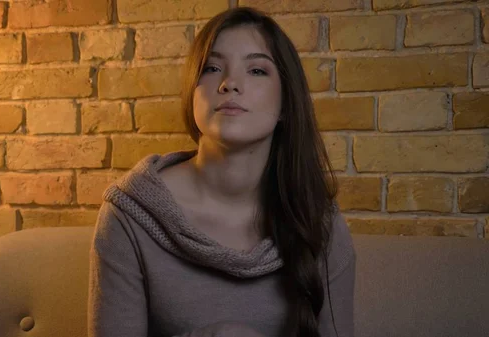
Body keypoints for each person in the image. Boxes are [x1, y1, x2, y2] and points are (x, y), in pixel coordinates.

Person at [88, 7, 356, 337]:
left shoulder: (319, 222)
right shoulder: (127, 217)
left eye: (257, 70)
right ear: (192, 93)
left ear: (287, 102)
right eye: (212, 68)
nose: (229, 83)